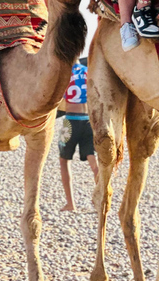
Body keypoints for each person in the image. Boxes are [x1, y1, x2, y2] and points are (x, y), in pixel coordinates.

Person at [58, 61, 98, 212]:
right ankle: (101, 201)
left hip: (70, 121)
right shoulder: (88, 71)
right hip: (88, 121)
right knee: (93, 161)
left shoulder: (64, 73)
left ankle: (70, 204)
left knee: (64, 160)